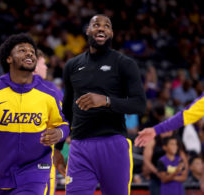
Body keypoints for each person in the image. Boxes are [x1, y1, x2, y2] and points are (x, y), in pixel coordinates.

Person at [0, 33, 69, 195]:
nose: (29, 53)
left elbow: (64, 124)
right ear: (8, 59)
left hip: (36, 170)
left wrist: (59, 132)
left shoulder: (50, 93)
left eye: (32, 52)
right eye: (21, 50)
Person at [57, 15, 146, 195]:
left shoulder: (125, 64)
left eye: (106, 26)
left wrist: (106, 101)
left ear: (111, 33)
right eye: (96, 25)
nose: (101, 28)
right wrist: (58, 148)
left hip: (113, 144)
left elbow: (139, 104)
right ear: (88, 31)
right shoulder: (72, 66)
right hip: (79, 146)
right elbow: (66, 110)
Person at [134, 92, 204, 191]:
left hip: (174, 179)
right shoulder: (154, 141)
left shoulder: (176, 141)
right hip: (158, 178)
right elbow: (184, 115)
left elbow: (183, 159)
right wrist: (156, 130)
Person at [33, 49, 62, 195]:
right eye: (43, 64)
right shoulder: (49, 89)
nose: (46, 67)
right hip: (40, 158)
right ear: (35, 66)